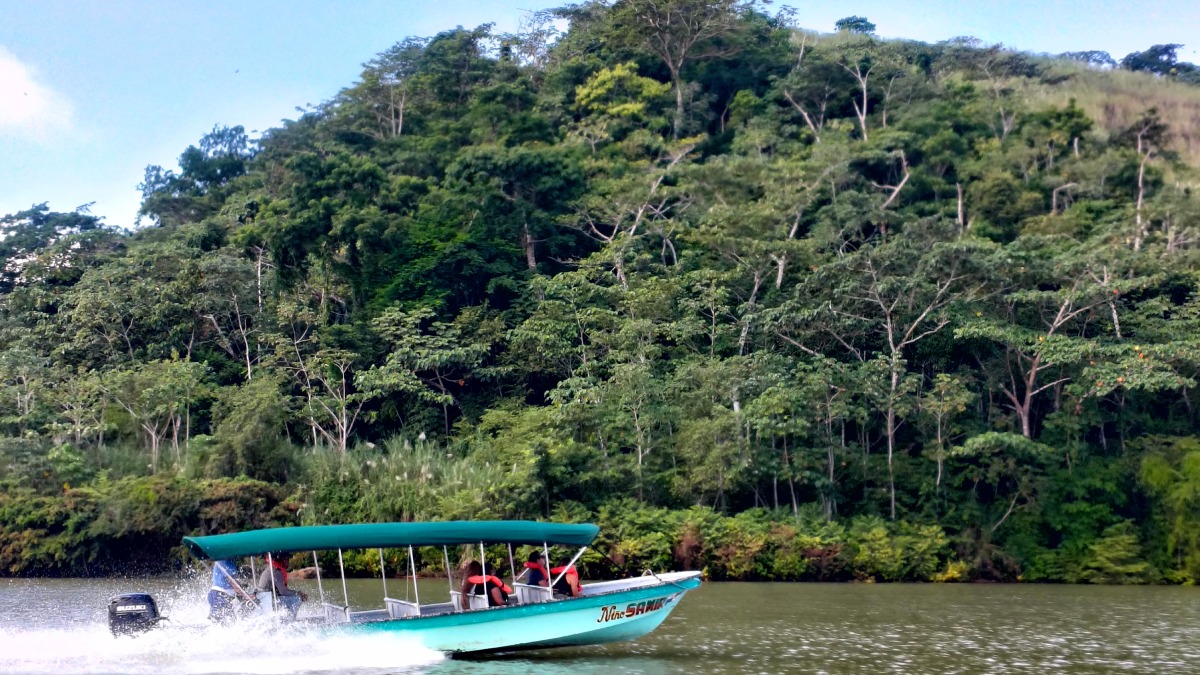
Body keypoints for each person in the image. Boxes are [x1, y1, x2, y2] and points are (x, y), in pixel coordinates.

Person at [256, 551, 307, 619]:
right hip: (269, 602)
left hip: (266, 600)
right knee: (297, 598)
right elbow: (283, 592)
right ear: (282, 560)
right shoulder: (276, 571)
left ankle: (284, 617)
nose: (288, 561)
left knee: (290, 597)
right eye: (286, 559)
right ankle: (290, 620)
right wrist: (298, 593)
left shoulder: (270, 569)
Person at [207, 558, 253, 623]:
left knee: (230, 621)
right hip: (218, 596)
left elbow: (235, 586)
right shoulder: (225, 561)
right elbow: (233, 583)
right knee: (226, 622)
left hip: (219, 596)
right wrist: (246, 596)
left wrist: (244, 596)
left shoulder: (228, 562)